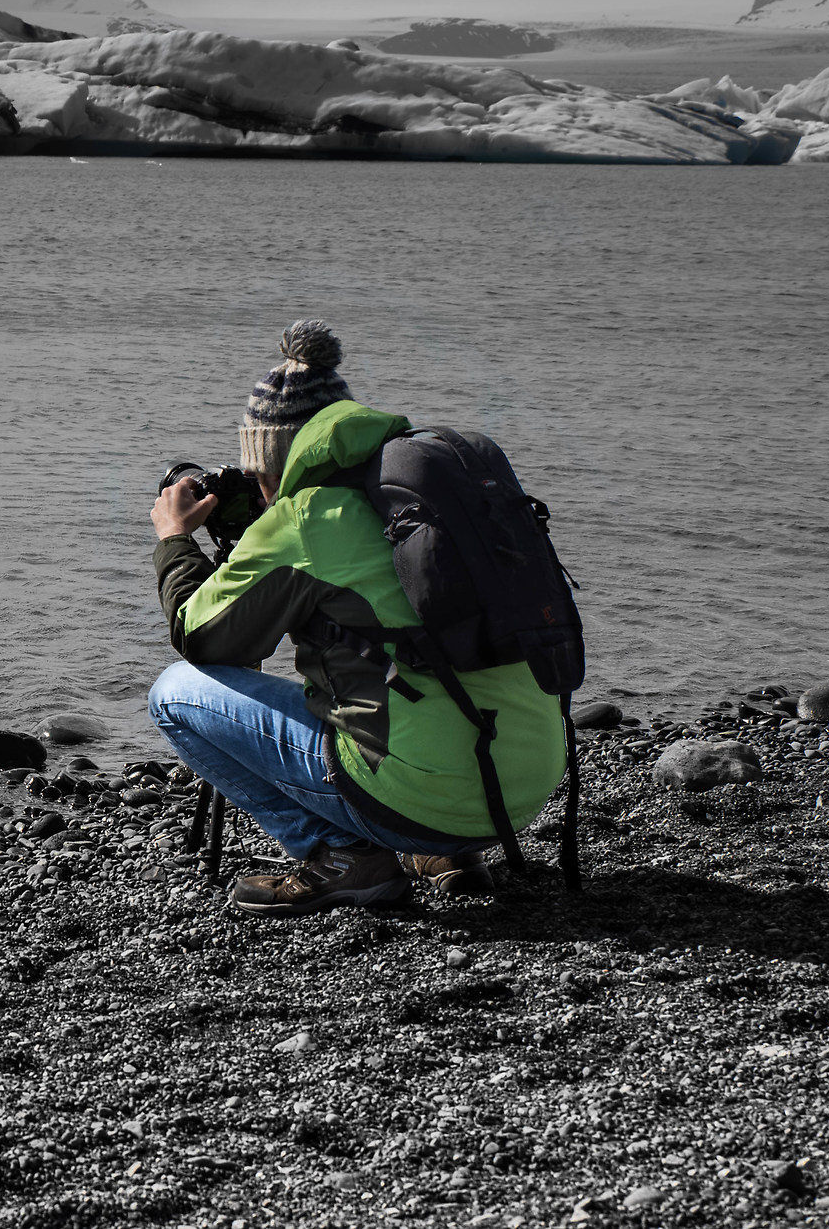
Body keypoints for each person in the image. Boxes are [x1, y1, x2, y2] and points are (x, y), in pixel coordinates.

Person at [145, 322, 569, 917]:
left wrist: (174, 539)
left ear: (274, 459)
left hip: (428, 802)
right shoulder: (428, 499)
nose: (259, 489)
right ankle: (445, 852)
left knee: (174, 694)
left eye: (257, 472)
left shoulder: (305, 518)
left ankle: (345, 855)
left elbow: (202, 639)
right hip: (524, 789)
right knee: (412, 669)